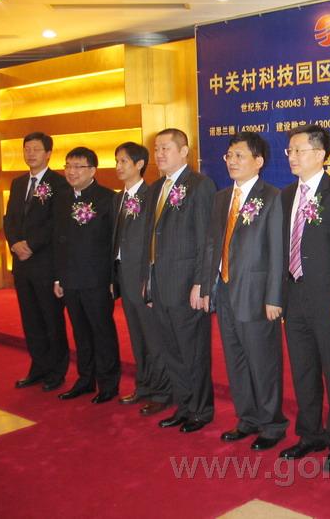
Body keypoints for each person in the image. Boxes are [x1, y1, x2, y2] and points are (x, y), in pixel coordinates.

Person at [204, 132, 287, 450]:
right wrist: (207, 286)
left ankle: (272, 424)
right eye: (229, 156)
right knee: (236, 359)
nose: (232, 161)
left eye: (239, 155)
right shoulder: (221, 198)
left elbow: (277, 252)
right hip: (225, 291)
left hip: (257, 295)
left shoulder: (272, 197)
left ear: (258, 161)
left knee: (263, 361)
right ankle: (247, 418)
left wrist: (274, 297)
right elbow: (213, 245)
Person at [279, 125, 330, 471]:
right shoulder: (286, 195)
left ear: (321, 154)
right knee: (303, 370)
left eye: (299, 150)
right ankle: (310, 434)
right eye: (290, 151)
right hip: (294, 296)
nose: (292, 157)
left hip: (328, 300)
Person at [143, 128, 216, 433]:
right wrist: (148, 282)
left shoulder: (199, 185)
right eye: (156, 148)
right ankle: (183, 406)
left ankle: (201, 410)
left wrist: (201, 283)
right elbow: (151, 239)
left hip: (187, 285)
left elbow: (206, 240)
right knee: (171, 350)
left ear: (184, 151)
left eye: (166, 148)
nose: (159, 154)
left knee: (193, 351)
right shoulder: (155, 188)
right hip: (160, 284)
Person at [53, 146, 120, 403]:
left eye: (78, 167)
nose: (71, 172)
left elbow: (114, 243)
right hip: (70, 279)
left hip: (97, 279)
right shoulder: (61, 198)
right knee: (80, 333)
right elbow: (58, 240)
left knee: (102, 332)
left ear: (92, 170)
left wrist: (113, 280)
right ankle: (85, 380)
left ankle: (108, 383)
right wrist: (58, 277)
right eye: (68, 166)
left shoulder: (107, 198)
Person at [4, 132, 69, 392]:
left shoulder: (59, 183)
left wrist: (31, 245)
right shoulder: (18, 183)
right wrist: (14, 243)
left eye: (36, 149)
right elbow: (9, 219)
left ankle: (57, 371)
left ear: (48, 154)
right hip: (22, 265)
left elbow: (56, 223)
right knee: (30, 320)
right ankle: (38, 367)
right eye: (27, 149)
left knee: (51, 319)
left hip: (46, 264)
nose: (30, 154)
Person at [112, 142, 172, 415]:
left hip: (143, 278)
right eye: (117, 161)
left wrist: (149, 279)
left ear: (139, 165)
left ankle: (162, 391)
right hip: (124, 276)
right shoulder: (118, 198)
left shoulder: (151, 195)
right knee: (137, 336)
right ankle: (144, 385)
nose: (118, 166)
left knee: (153, 337)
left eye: (124, 161)